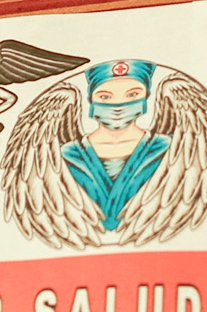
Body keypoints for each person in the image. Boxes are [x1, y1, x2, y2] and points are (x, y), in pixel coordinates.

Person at [60, 62, 171, 232]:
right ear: (91, 99)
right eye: (105, 97)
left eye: (132, 94)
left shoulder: (165, 148)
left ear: (146, 96)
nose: (118, 105)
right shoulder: (68, 154)